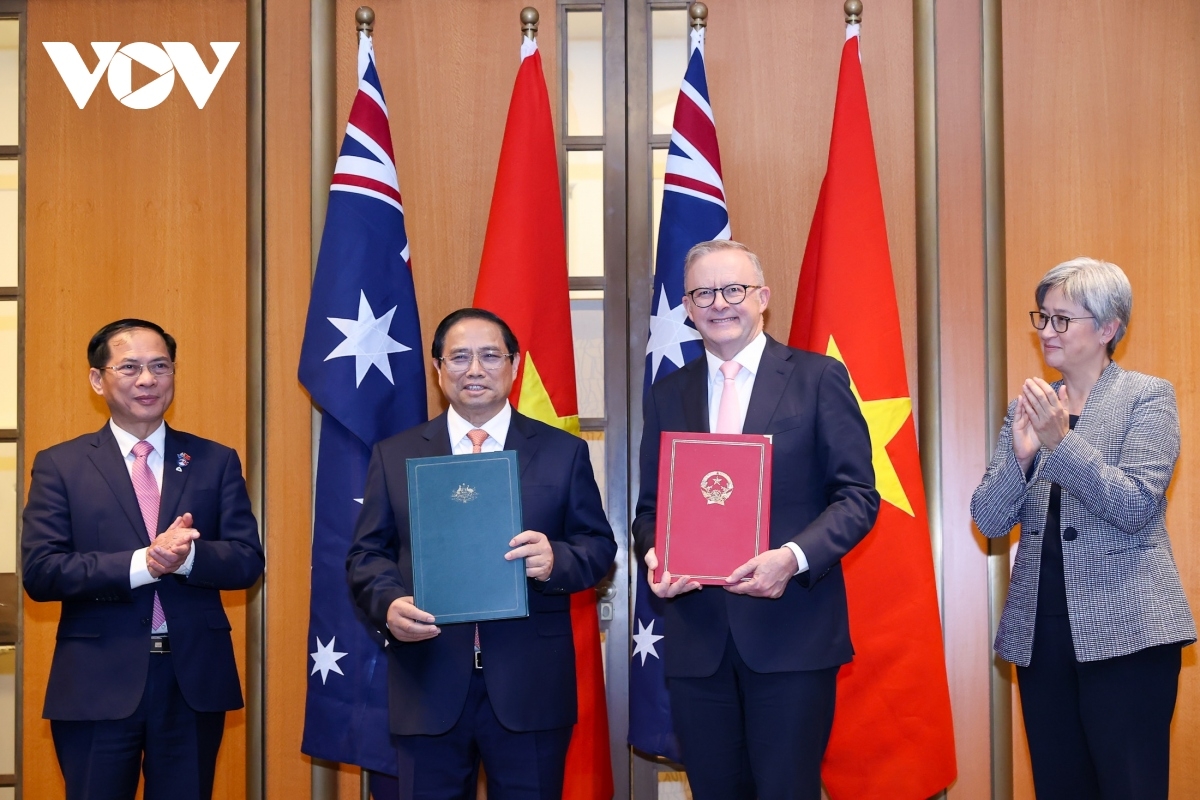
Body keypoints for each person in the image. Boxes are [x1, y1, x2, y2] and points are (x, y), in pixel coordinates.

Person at [632, 240, 879, 800]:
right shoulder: (668, 393)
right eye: (703, 293)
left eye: (733, 289)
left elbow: (858, 497)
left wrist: (790, 560)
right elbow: (651, 509)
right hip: (698, 640)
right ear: (688, 309)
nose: (720, 303)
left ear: (763, 298)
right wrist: (657, 555)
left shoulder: (817, 379)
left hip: (792, 635)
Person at [345, 308, 617, 800]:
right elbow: (367, 555)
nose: (475, 369)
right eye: (460, 357)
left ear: (513, 366)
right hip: (427, 682)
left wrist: (556, 560)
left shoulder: (562, 451)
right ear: (438, 368)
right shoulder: (396, 453)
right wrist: (387, 604)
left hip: (530, 686)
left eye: (491, 356)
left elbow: (598, 547)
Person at [972, 257, 1196, 798]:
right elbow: (989, 519)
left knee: (1130, 785)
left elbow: (1139, 504)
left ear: (1107, 328)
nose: (1046, 331)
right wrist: (1023, 459)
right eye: (1042, 317)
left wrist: (1061, 445)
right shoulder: (1027, 408)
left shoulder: (1148, 397)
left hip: (1130, 635)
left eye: (1061, 319)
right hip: (1041, 637)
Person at [22, 319, 265, 800]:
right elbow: (42, 571)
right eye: (130, 367)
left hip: (191, 681)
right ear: (98, 380)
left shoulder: (214, 460)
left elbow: (246, 561)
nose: (147, 380)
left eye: (160, 366)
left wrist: (187, 558)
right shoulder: (61, 465)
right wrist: (144, 564)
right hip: (97, 681)